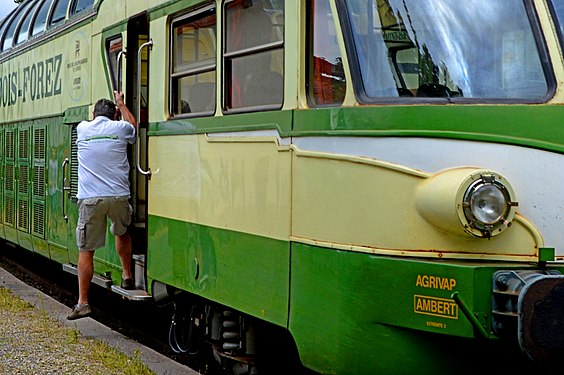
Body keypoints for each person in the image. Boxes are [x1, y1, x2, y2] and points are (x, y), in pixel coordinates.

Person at [67, 91, 137, 320]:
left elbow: (88, 123)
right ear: (114, 114)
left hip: (91, 198)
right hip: (118, 195)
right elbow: (133, 126)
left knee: (86, 250)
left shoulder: (82, 129)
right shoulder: (120, 128)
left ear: (94, 114)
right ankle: (127, 276)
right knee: (122, 232)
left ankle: (83, 303)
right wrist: (122, 105)